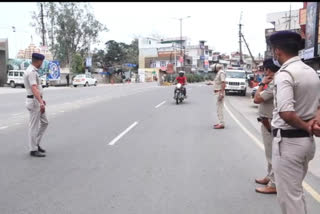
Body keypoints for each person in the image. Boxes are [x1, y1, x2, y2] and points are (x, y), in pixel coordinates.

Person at [269, 30, 320, 214]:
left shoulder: (285, 74)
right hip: (306, 143)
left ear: (277, 52)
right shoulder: (310, 71)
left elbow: (286, 112)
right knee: (296, 194)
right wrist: (314, 124)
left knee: (289, 199)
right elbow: (318, 105)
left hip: (289, 143)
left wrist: (308, 125)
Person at [253, 58, 280, 194]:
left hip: (270, 122)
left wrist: (260, 84)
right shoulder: (273, 82)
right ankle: (270, 177)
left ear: (268, 70)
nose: (263, 72)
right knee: (269, 152)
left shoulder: (272, 83)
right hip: (266, 120)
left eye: (264, 70)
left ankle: (274, 184)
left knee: (271, 153)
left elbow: (256, 99)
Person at [24, 53, 49, 157]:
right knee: (34, 127)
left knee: (45, 122)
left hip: (37, 101)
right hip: (34, 102)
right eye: (41, 62)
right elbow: (34, 88)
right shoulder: (31, 72)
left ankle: (36, 143)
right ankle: (33, 150)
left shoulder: (33, 71)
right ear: (38, 61)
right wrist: (40, 102)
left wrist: (42, 100)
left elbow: (37, 88)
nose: (42, 63)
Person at [211, 63, 226, 129]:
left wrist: (221, 93)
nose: (213, 70)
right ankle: (220, 122)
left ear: (216, 68)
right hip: (218, 92)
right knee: (218, 108)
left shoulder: (221, 73)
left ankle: (221, 123)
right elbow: (218, 82)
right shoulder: (219, 73)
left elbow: (223, 83)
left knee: (219, 108)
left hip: (219, 92)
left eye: (213, 69)